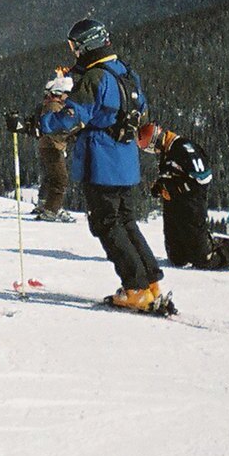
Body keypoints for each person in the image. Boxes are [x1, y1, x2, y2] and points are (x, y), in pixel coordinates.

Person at [40, 17, 165, 312]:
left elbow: (74, 116)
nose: (74, 52)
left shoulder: (95, 77)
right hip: (124, 160)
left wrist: (38, 123)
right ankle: (149, 282)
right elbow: (140, 112)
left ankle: (135, 288)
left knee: (106, 224)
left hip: (102, 160)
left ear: (87, 45)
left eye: (76, 47)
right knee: (124, 221)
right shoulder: (124, 71)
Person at [141, 123, 229, 269]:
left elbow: (203, 177)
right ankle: (202, 243)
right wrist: (161, 185)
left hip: (191, 204)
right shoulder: (167, 150)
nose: (153, 152)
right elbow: (173, 173)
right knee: (178, 258)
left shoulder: (183, 148)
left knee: (203, 260)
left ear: (155, 141)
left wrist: (177, 188)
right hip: (174, 207)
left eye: (150, 148)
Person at [33, 73, 76, 222]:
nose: (68, 97)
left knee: (51, 177)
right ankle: (52, 210)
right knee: (60, 179)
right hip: (53, 147)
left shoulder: (49, 104)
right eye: (67, 94)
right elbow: (55, 127)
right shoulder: (55, 106)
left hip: (48, 146)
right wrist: (72, 131)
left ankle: (44, 204)